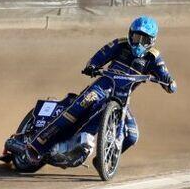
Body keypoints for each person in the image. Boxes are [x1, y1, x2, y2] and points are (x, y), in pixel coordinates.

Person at [25, 16, 176, 162]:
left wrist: (170, 83)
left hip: (122, 99)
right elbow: (99, 56)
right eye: (137, 37)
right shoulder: (120, 44)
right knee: (78, 108)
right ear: (130, 35)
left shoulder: (154, 58)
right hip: (101, 88)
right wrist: (92, 66)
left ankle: (103, 161)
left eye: (144, 40)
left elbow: (166, 76)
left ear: (152, 41)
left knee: (132, 136)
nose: (139, 43)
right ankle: (37, 146)